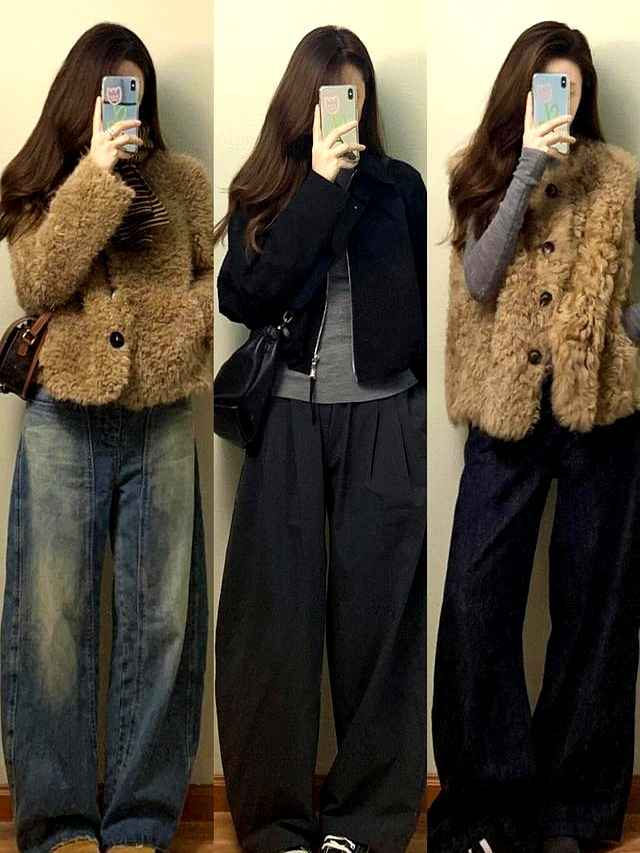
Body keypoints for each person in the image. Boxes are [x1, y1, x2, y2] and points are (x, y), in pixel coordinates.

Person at [0, 22, 212, 853]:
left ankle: (139, 823)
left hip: (160, 418)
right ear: (80, 98)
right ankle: (57, 826)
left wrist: (183, 328)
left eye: (134, 91)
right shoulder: (38, 182)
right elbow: (40, 281)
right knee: (51, 624)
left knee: (162, 623)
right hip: (63, 418)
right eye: (110, 91)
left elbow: (208, 283)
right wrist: (93, 173)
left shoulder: (182, 181)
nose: (126, 105)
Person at [214, 24, 427, 853]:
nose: (345, 108)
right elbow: (245, 296)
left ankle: (364, 825)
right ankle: (276, 826)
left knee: (380, 623)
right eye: (330, 94)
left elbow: (419, 306)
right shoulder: (265, 189)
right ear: (302, 102)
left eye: (355, 94)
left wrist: (414, 411)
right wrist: (318, 188)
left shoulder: (399, 188)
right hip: (288, 420)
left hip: (383, 418)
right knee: (272, 623)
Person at [429, 21, 640, 853]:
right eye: (550, 87)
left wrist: (625, 335)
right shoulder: (480, 170)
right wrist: (525, 166)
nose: (564, 103)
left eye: (574, 91)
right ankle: (488, 810)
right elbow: (479, 281)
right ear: (522, 89)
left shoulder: (618, 175)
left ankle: (573, 813)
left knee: (595, 612)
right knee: (477, 603)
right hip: (506, 412)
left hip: (601, 413)